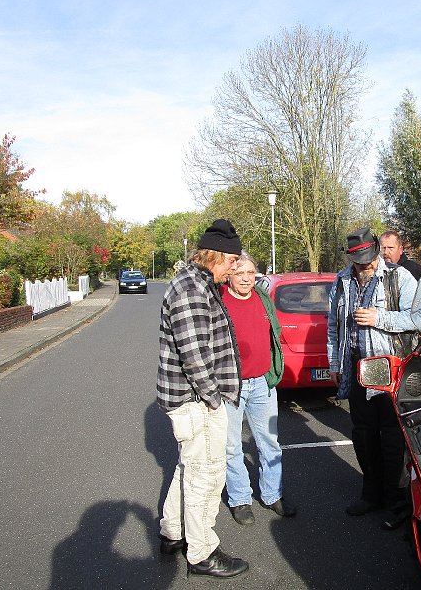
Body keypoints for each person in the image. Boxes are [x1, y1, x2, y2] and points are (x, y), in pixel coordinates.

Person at [156, 219, 248, 579]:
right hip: (196, 400)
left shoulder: (196, 282)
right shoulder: (192, 288)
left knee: (189, 467)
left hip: (194, 398)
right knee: (206, 475)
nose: (234, 270)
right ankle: (202, 552)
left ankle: (173, 534)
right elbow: (194, 355)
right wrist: (213, 398)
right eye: (232, 262)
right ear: (216, 256)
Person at [327, 227, 418, 528]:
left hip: (388, 366)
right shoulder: (341, 280)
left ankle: (398, 502)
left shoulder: (399, 277)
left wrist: (380, 318)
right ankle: (371, 494)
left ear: (377, 250)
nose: (365, 265)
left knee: (392, 436)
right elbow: (333, 325)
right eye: (359, 260)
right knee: (363, 434)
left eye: (369, 258)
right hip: (356, 365)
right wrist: (334, 361)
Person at [221, 251, 297, 525]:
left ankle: (272, 494)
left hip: (263, 383)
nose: (246, 278)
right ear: (229, 275)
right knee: (231, 447)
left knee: (270, 443)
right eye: (240, 273)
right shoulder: (219, 301)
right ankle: (240, 499)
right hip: (231, 386)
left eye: (250, 273)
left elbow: (274, 335)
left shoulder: (263, 298)